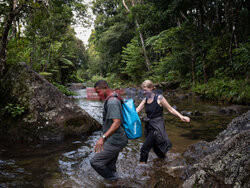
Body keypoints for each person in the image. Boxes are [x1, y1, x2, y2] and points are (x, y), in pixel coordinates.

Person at [136, 80, 190, 164]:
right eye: (143, 90)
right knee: (156, 149)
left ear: (152, 88)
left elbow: (171, 109)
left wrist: (181, 116)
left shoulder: (159, 98)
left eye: (145, 90)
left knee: (144, 149)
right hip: (149, 126)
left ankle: (141, 169)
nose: (144, 92)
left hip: (157, 127)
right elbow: (136, 111)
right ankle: (165, 161)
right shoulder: (145, 100)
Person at [90, 80, 128, 181]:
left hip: (116, 140)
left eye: (99, 92)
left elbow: (116, 123)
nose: (98, 95)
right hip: (116, 138)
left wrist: (102, 138)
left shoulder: (112, 101)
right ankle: (115, 178)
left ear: (105, 88)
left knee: (96, 162)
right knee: (109, 164)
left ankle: (115, 182)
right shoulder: (115, 96)